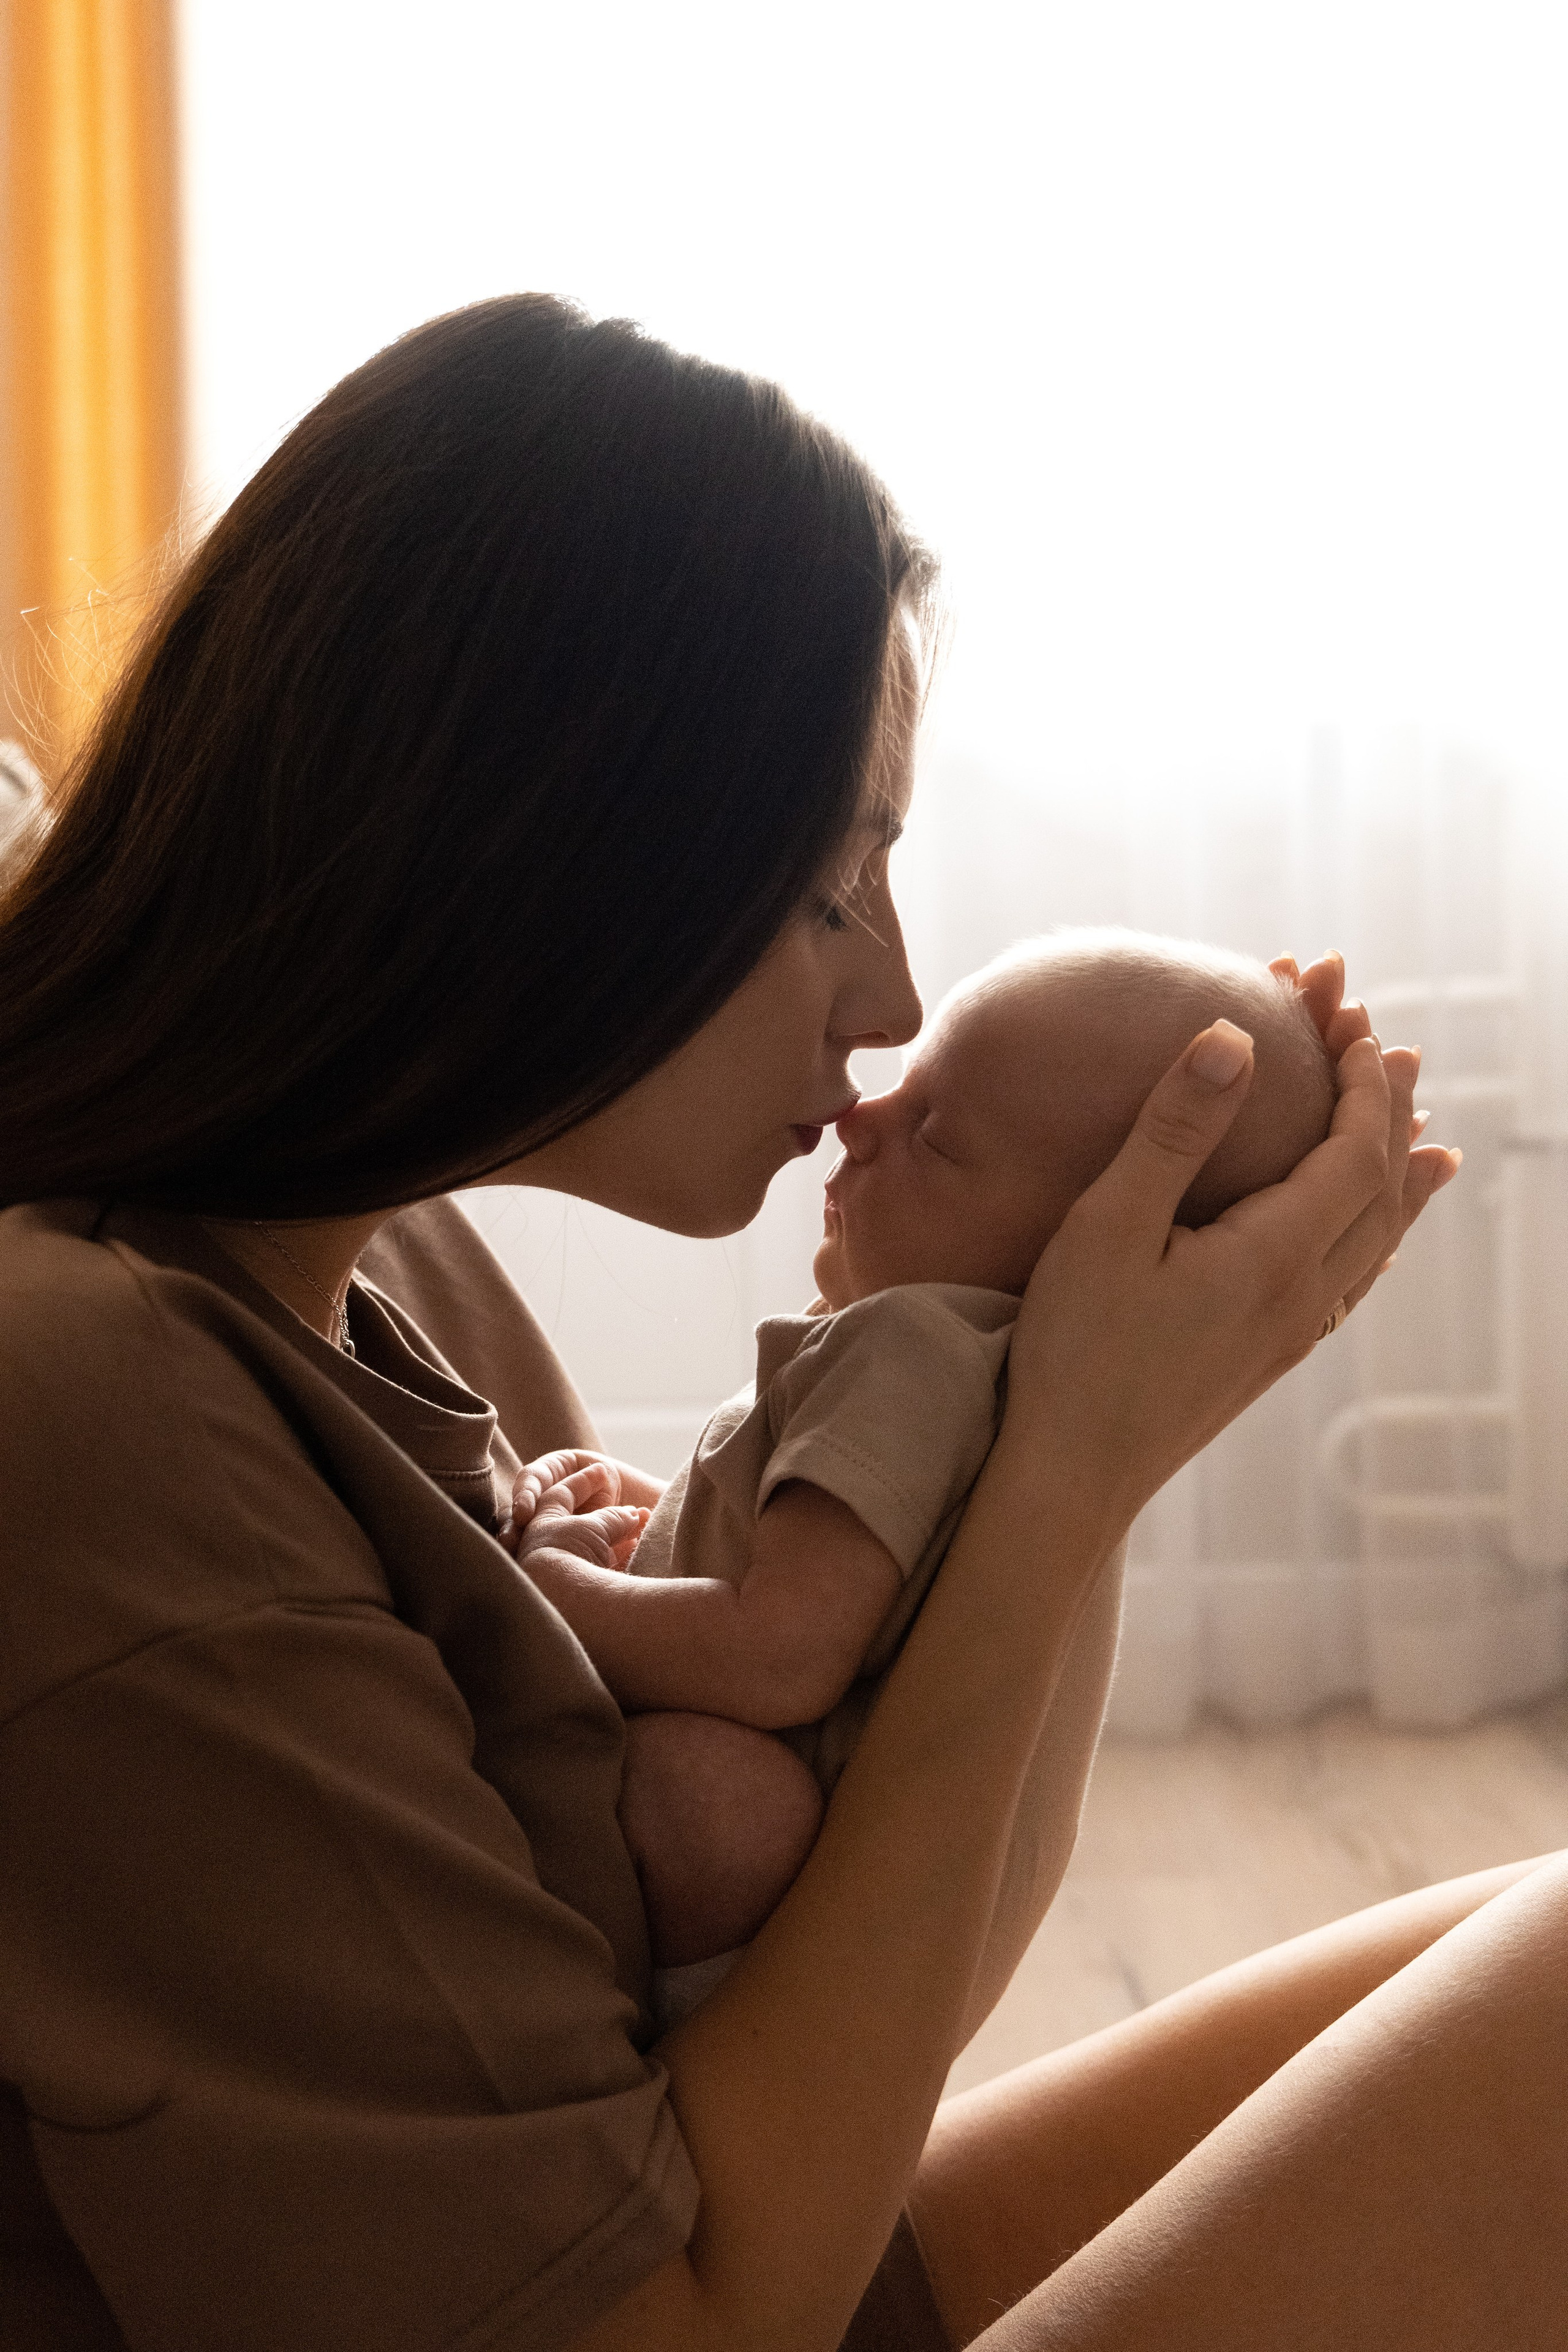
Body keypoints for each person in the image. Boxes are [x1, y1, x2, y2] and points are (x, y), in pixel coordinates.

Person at [0, 295, 1559, 2352]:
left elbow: (837, 2003)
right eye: (835, 888)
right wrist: (1070, 1466)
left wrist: (1033, 1375)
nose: (894, 1000)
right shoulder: (99, 1411)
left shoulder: (375, 1273)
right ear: (542, 851)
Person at [503, 932, 1338, 2028]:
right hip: (886, 1936)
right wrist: (668, 1514)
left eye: (938, 1140)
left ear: (1081, 1246)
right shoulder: (1012, 1381)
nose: (860, 1118)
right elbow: (843, 1570)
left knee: (712, 1794)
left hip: (760, 1951)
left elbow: (785, 1655)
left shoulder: (903, 1350)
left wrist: (563, 1594)